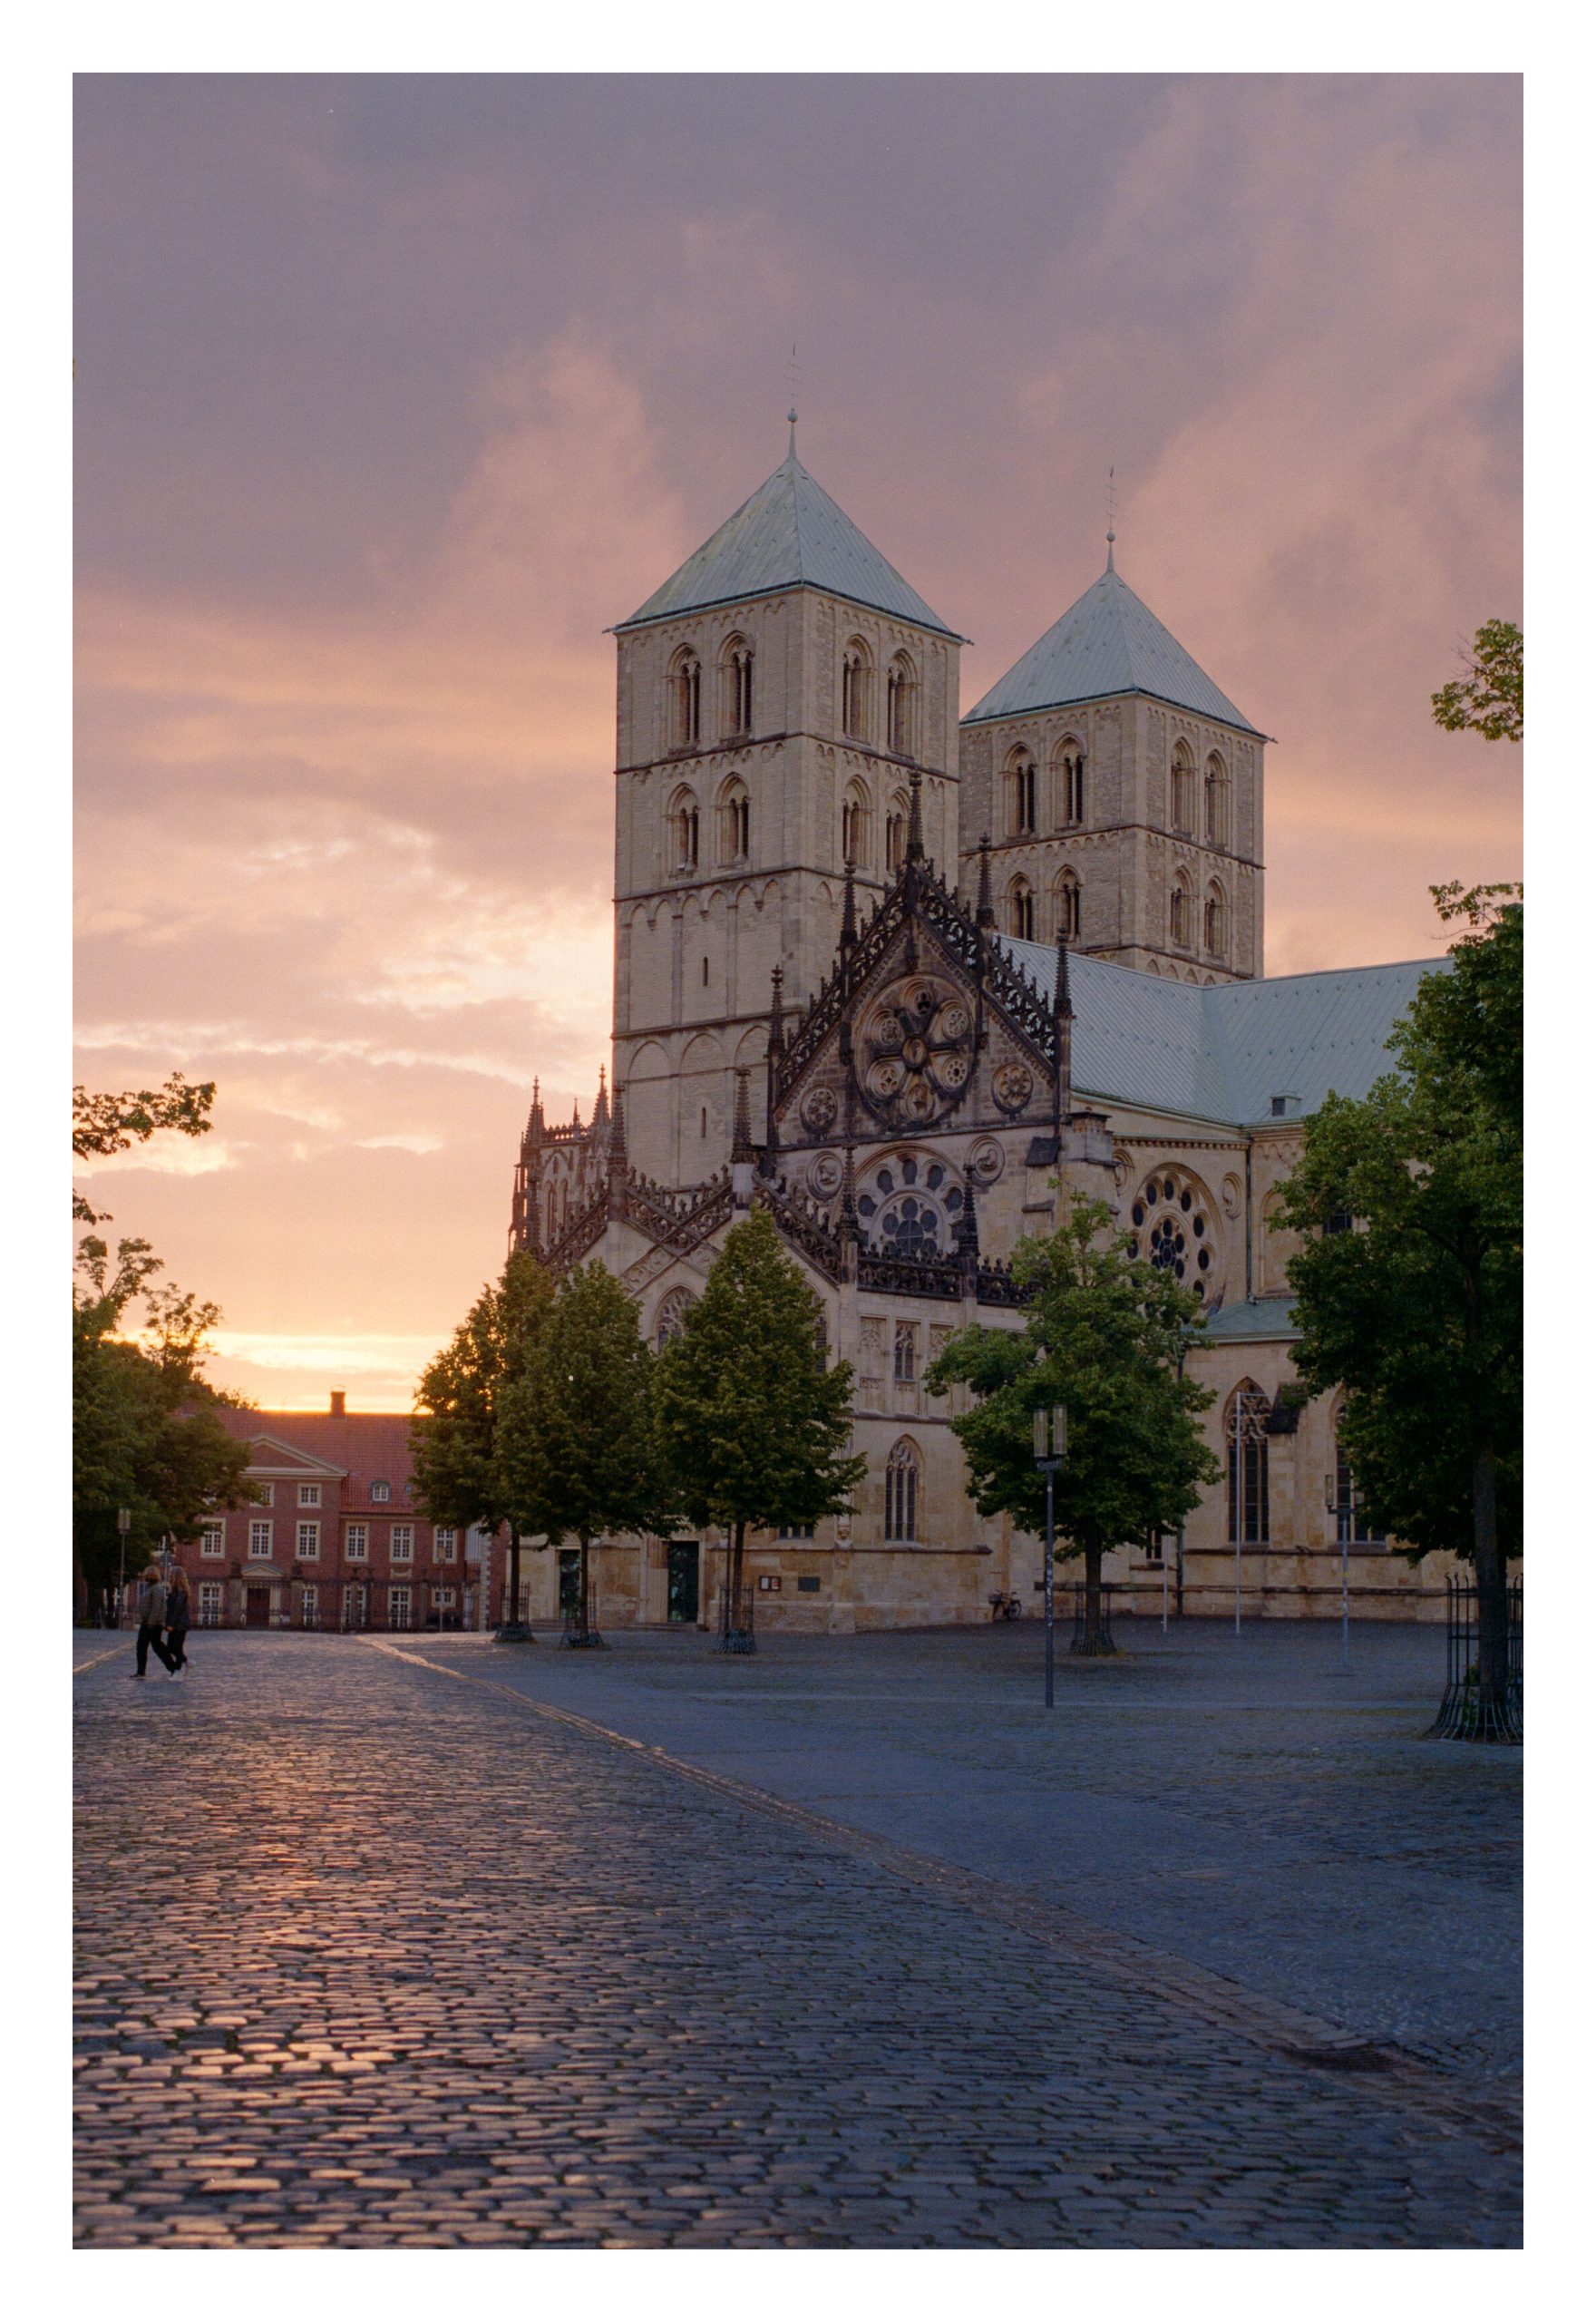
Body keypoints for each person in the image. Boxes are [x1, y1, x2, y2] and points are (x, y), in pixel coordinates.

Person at [131, 1564, 176, 1679]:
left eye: (149, 1575)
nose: (148, 1577)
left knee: (153, 1646)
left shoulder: (157, 1589)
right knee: (151, 1646)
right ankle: (171, 1668)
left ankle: (173, 1668)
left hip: (152, 1624)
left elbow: (156, 1607)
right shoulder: (151, 1588)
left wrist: (151, 1622)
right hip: (148, 1622)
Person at [164, 1566, 192, 1677]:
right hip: (176, 1624)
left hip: (180, 1625)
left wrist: (171, 1624)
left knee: (176, 1648)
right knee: (171, 1647)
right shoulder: (174, 1591)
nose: (169, 1577)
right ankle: (186, 1662)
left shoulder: (181, 1592)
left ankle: (177, 1672)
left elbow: (177, 1610)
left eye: (171, 1575)